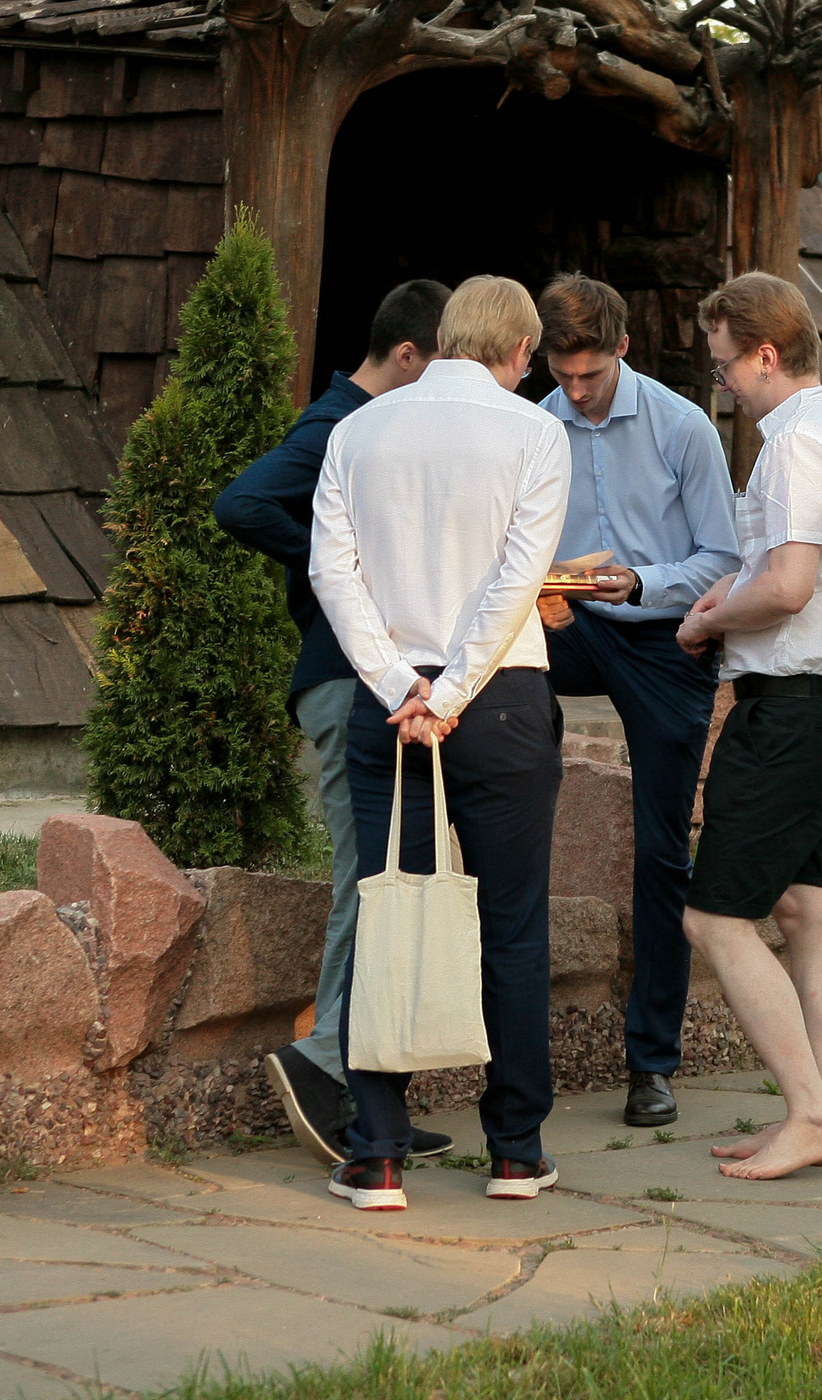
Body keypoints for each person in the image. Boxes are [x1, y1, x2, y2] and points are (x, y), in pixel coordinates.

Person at [309, 275, 570, 1212]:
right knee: (512, 927)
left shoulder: (357, 429)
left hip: (391, 707)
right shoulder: (534, 431)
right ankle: (514, 1151)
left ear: (447, 338)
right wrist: (454, 689)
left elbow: (329, 572)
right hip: (499, 700)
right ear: (518, 354)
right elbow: (519, 576)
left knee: (390, 914)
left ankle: (376, 1152)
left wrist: (398, 685)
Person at [212, 279, 456, 1167]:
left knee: (390, 872)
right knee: (371, 878)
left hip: (360, 679)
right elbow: (240, 503)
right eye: (438, 368)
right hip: (339, 679)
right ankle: (322, 1063)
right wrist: (331, 566)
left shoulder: (369, 428)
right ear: (405, 356)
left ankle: (366, 1093)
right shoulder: (338, 423)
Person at [673, 272, 822, 1182]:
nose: (722, 382)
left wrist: (706, 621)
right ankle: (819, 1112)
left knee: (714, 919)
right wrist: (742, 588)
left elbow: (792, 586)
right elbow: (804, 575)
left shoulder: (799, 445)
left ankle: (809, 1113)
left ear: (767, 354)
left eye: (726, 365)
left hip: (794, 711)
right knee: (809, 909)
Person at [534, 274, 740, 1128]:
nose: (576, 391)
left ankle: (650, 1061)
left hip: (662, 630)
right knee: (497, 685)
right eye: (562, 373)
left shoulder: (683, 425)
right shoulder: (535, 426)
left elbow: (724, 558)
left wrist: (642, 582)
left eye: (591, 374)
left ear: (622, 349)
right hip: (570, 623)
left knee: (662, 852)